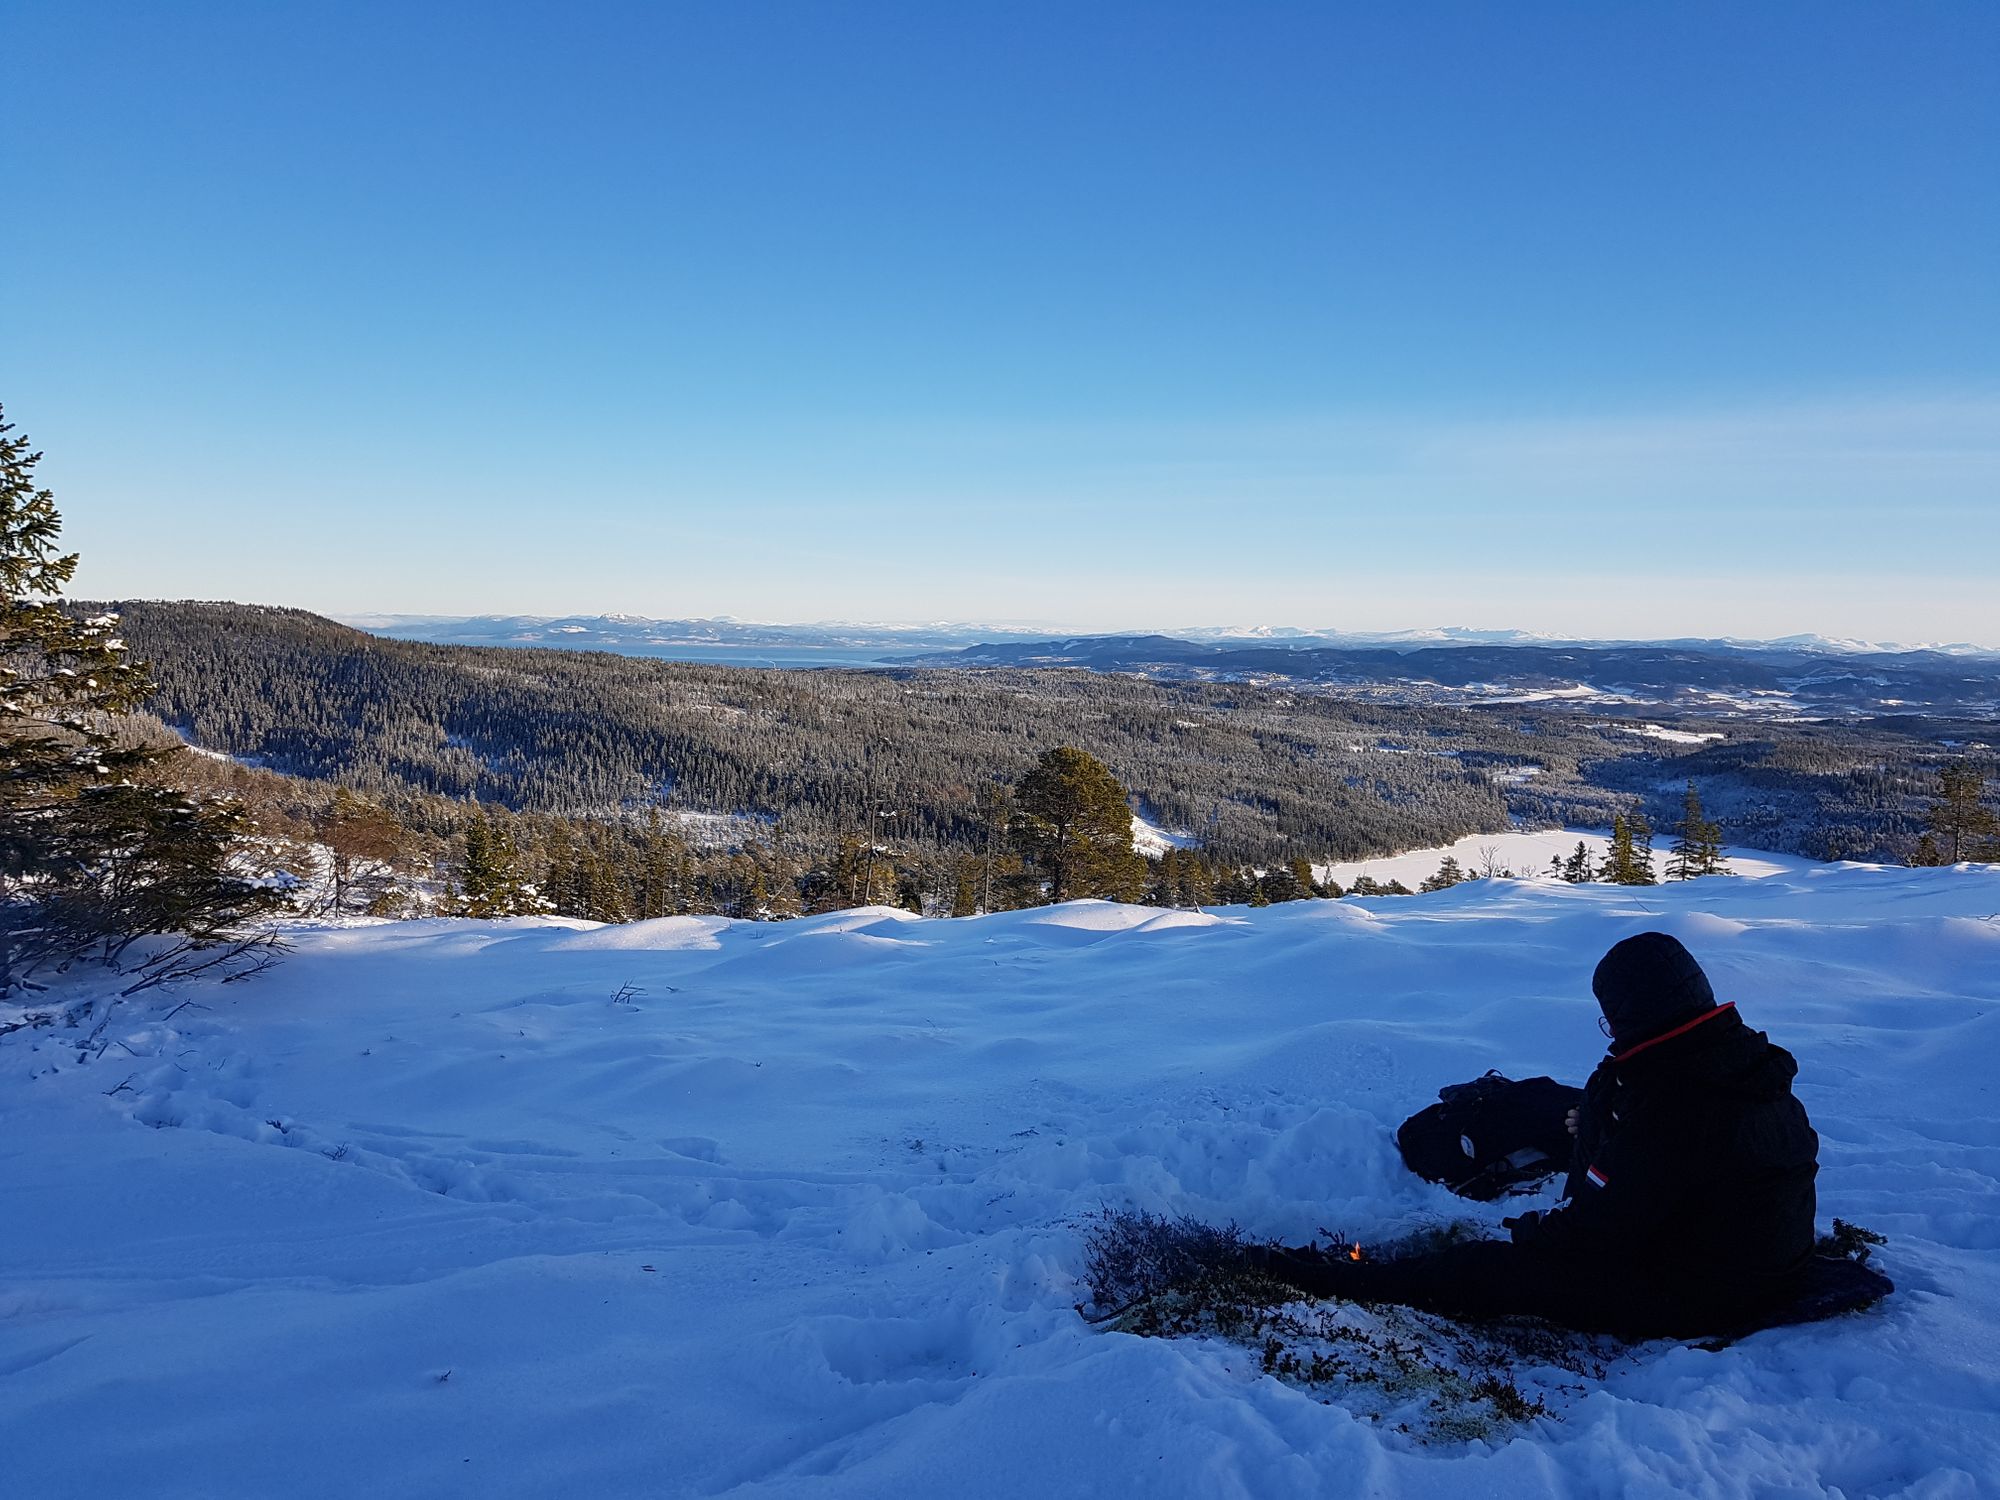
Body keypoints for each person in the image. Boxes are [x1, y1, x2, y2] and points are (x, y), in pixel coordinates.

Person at [1252, 932, 1821, 1338]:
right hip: (1766, 1263)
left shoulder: (1674, 1104)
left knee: (1480, 1271)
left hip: (1704, 1291)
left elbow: (1598, 1231)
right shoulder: (1742, 1068)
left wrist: (1532, 1231)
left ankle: (1336, 1284)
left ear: (1631, 1014)